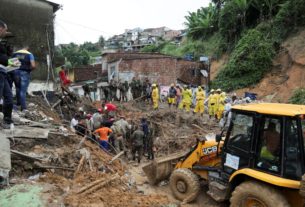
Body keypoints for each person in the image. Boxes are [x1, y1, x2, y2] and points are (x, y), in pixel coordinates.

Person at [12, 45, 36, 111]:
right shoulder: (29, 54)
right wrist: (29, 70)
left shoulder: (15, 53)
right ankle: (23, 107)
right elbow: (33, 65)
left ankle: (18, 103)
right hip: (25, 73)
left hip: (15, 72)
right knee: (23, 90)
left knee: (18, 88)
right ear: (27, 48)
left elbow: (11, 65)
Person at [0, 20, 14, 128]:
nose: (6, 32)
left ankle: (7, 120)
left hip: (3, 72)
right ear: (1, 28)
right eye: (6, 29)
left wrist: (9, 56)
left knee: (9, 97)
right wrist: (8, 61)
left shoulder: (1, 43)